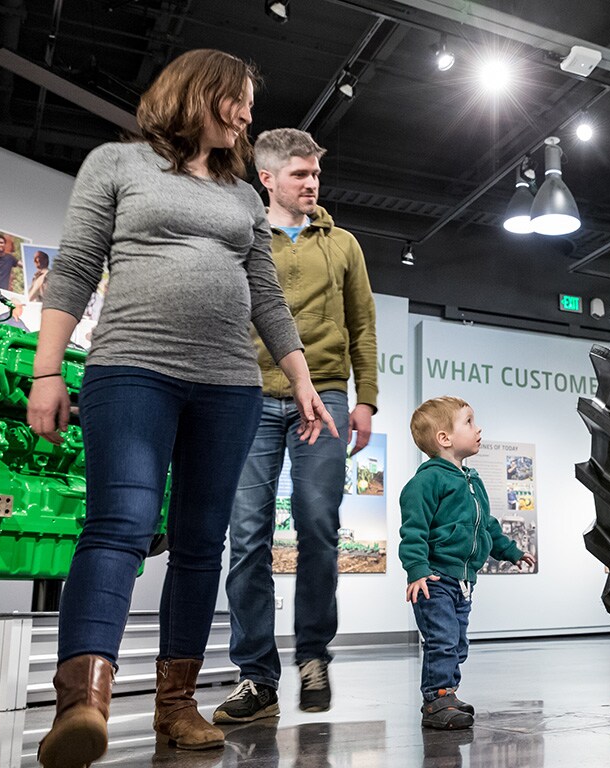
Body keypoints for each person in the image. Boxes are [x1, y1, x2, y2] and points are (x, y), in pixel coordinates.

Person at [28, 48, 338, 768]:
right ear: (201, 92)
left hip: (229, 386)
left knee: (202, 545)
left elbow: (265, 292)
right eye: (241, 101)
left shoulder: (240, 196)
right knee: (122, 524)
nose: (248, 115)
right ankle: (84, 701)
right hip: (133, 369)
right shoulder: (116, 165)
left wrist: (300, 379)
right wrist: (48, 370)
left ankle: (176, 705)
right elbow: (74, 266)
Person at [212, 128, 379, 724]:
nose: (312, 184)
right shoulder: (240, 236)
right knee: (247, 536)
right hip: (248, 397)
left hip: (328, 396)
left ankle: (313, 655)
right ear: (268, 178)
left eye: (315, 174)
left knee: (318, 524)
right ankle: (256, 676)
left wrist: (366, 402)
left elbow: (363, 325)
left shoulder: (344, 245)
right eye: (300, 175)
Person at [399, 396, 536, 730]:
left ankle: (449, 692)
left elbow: (487, 525)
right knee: (442, 639)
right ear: (445, 438)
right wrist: (417, 571)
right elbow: (413, 531)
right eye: (470, 422)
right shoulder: (426, 482)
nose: (478, 428)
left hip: (463, 580)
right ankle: (436, 700)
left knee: (457, 642)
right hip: (435, 579)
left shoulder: (472, 481)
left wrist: (512, 553)